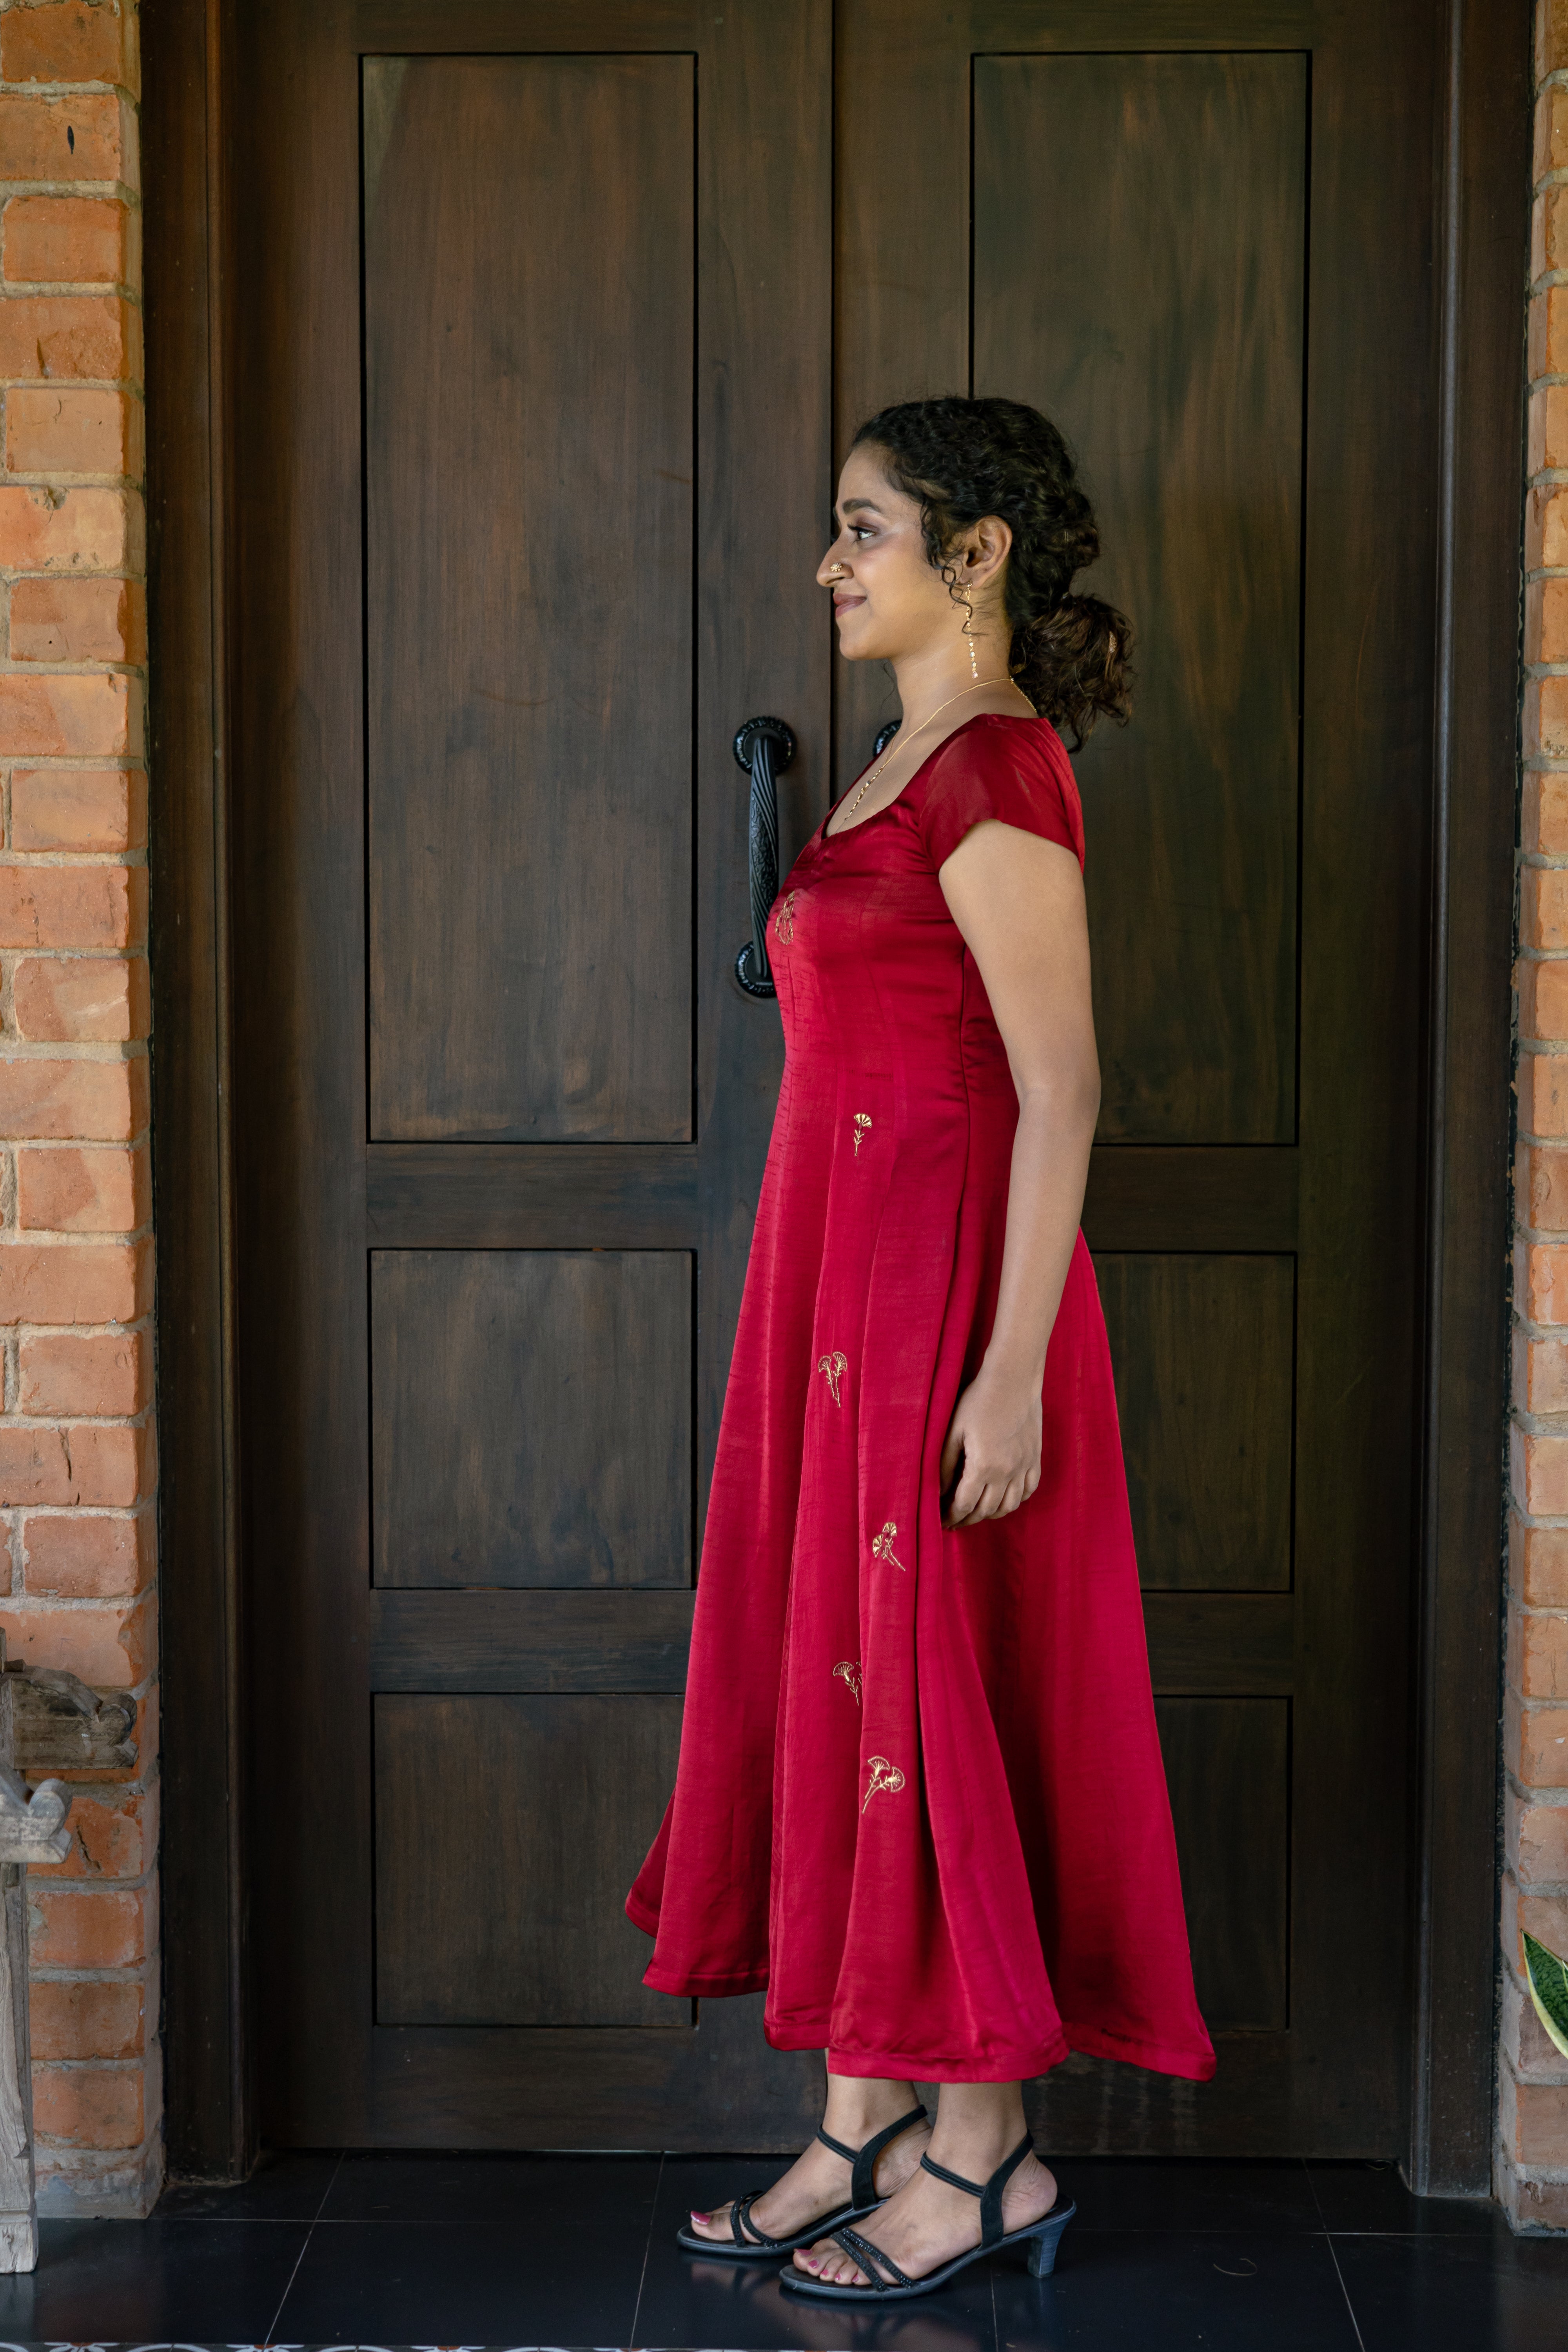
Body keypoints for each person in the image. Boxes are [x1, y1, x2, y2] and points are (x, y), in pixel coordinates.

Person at [626, 394, 1214, 2301]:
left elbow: (1060, 1091)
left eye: (861, 530)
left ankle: (989, 2155)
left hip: (947, 1296)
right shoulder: (899, 765)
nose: (827, 566)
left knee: (939, 1691)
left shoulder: (998, 770)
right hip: (832, 1293)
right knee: (847, 1686)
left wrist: (1014, 1367)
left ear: (973, 558)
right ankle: (859, 2115)